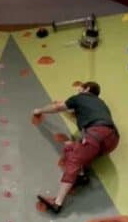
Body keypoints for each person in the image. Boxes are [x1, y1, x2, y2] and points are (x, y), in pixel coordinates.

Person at [33, 81, 119, 214]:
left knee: (74, 160)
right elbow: (75, 112)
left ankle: (57, 203)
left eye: (80, 88)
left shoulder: (80, 98)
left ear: (87, 89)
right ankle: (81, 175)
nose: (77, 90)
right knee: (70, 147)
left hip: (96, 134)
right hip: (111, 140)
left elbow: (58, 107)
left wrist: (40, 110)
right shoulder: (100, 104)